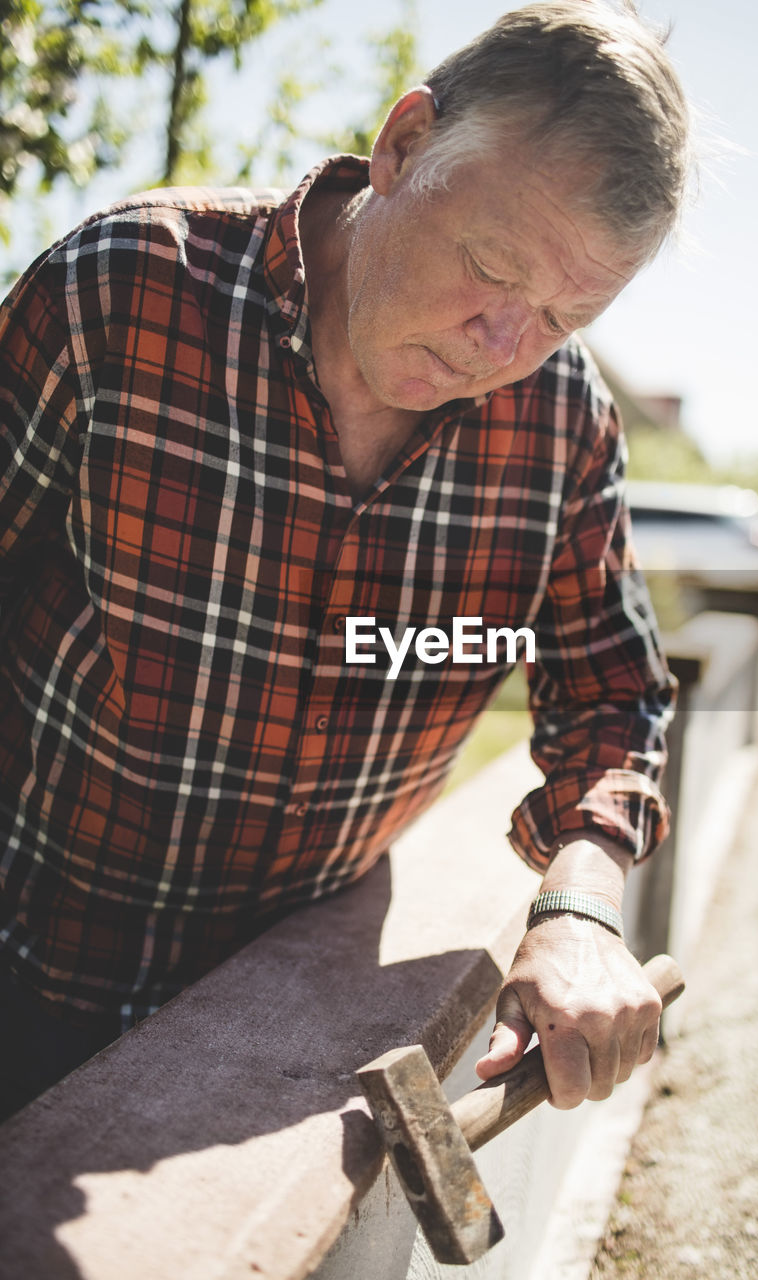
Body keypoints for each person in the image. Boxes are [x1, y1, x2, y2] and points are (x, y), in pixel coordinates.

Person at [0, 0, 692, 1122]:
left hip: (294, 1033)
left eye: (564, 316)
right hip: (29, 973)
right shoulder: (122, 289)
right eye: (489, 267)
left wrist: (581, 904)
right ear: (405, 142)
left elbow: (613, 692)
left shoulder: (561, 426)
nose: (503, 349)